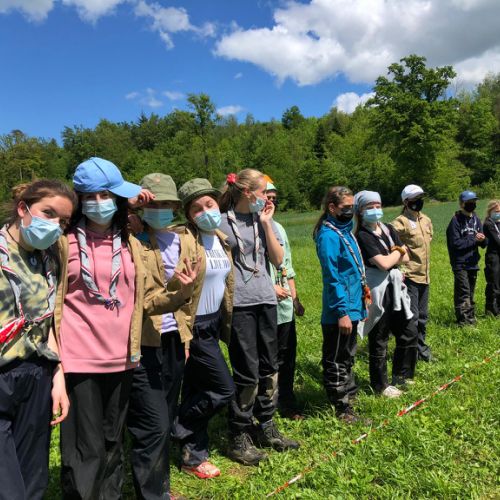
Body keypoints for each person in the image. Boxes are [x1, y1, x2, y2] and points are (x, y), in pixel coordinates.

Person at [55, 158, 197, 499]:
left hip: (124, 358)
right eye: (94, 196)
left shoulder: (129, 242)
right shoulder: (62, 242)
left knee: (112, 443)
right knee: (84, 450)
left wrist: (179, 291)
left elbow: (144, 301)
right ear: (81, 199)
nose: (101, 203)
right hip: (79, 361)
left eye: (108, 196)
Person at [0, 180, 76, 500]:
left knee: (33, 481)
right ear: (23, 208)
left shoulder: (48, 259)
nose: (55, 225)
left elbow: (48, 323)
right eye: (48, 213)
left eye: (63, 221)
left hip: (36, 376)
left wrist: (58, 376)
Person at [219, 168, 299, 467]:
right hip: (240, 304)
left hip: (266, 300)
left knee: (269, 367)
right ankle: (238, 435)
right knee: (246, 371)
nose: (268, 198)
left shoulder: (264, 220)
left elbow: (277, 260)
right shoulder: (221, 222)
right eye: (264, 192)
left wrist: (266, 223)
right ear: (246, 191)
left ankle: (266, 425)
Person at [126, 173, 196, 499]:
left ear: (176, 208)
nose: (160, 210)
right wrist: (126, 213)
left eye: (167, 204)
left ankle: (161, 484)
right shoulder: (132, 241)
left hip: (174, 337)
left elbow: (191, 296)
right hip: (145, 340)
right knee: (152, 422)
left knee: (166, 414)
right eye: (153, 204)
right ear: (141, 208)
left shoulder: (184, 240)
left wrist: (186, 337)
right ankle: (151, 492)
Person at [173, 178, 235, 479]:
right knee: (224, 389)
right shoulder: (183, 239)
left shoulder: (221, 238)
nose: (205, 211)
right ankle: (175, 425)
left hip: (213, 322)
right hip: (193, 326)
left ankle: (193, 456)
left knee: (197, 389)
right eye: (196, 209)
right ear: (188, 215)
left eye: (209, 204)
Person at [355, 190, 417, 398]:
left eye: (377, 206)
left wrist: (395, 254)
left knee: (408, 330)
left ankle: (403, 375)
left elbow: (406, 257)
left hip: (395, 285)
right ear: (360, 211)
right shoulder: (362, 235)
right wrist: (397, 251)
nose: (375, 210)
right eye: (369, 207)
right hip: (377, 288)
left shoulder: (388, 228)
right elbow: (383, 263)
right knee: (379, 336)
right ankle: (380, 385)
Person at [313, 186, 368, 422]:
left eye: (352, 207)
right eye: (346, 207)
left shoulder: (345, 231)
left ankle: (350, 397)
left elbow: (353, 271)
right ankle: (341, 407)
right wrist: (342, 312)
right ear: (332, 208)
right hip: (339, 310)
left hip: (353, 304)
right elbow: (332, 277)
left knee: (347, 355)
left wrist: (361, 302)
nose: (350, 211)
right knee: (336, 358)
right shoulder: (329, 236)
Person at [265, 177, 305, 420]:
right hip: (263, 305)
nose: (270, 202)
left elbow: (287, 265)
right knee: (267, 358)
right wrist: (270, 288)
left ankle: (287, 400)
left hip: (284, 306)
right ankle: (267, 404)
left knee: (287, 355)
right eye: (266, 197)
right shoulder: (249, 228)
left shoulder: (278, 228)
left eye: (274, 199)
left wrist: (295, 298)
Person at [392, 185, 433, 362]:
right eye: (415, 199)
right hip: (409, 276)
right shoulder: (399, 223)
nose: (418, 202)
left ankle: (421, 350)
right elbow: (390, 244)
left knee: (423, 317)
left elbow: (428, 240)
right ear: (406, 202)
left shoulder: (426, 220)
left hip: (424, 275)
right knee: (412, 318)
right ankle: (410, 353)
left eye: (420, 198)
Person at [446, 190, 487, 326]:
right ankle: (464, 322)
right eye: (469, 202)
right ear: (461, 204)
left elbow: (483, 244)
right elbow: (456, 244)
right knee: (463, 292)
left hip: (473, 262)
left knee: (470, 292)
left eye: (474, 202)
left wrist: (482, 239)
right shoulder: (455, 221)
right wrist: (474, 240)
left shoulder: (476, 219)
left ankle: (470, 317)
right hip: (460, 263)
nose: (472, 204)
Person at [482, 200, 500, 316]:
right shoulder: (488, 224)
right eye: (496, 211)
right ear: (490, 211)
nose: (498, 213)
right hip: (493, 257)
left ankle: (498, 309)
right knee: (494, 284)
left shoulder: (498, 222)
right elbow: (497, 241)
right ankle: (491, 310)